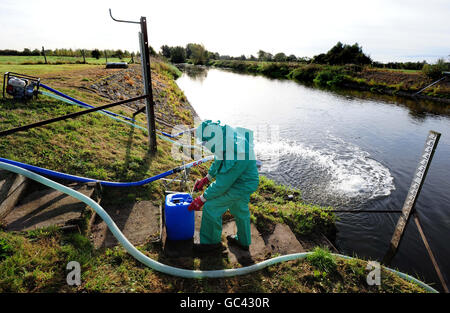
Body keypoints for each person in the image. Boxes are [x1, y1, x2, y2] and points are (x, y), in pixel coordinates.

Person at [188, 120, 260, 253]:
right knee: (239, 209)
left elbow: (222, 185)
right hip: (245, 179)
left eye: (204, 143)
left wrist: (202, 199)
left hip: (241, 184)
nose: (205, 146)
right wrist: (207, 178)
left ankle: (211, 245)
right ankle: (243, 242)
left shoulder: (236, 151)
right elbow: (219, 158)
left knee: (211, 206)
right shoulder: (224, 136)